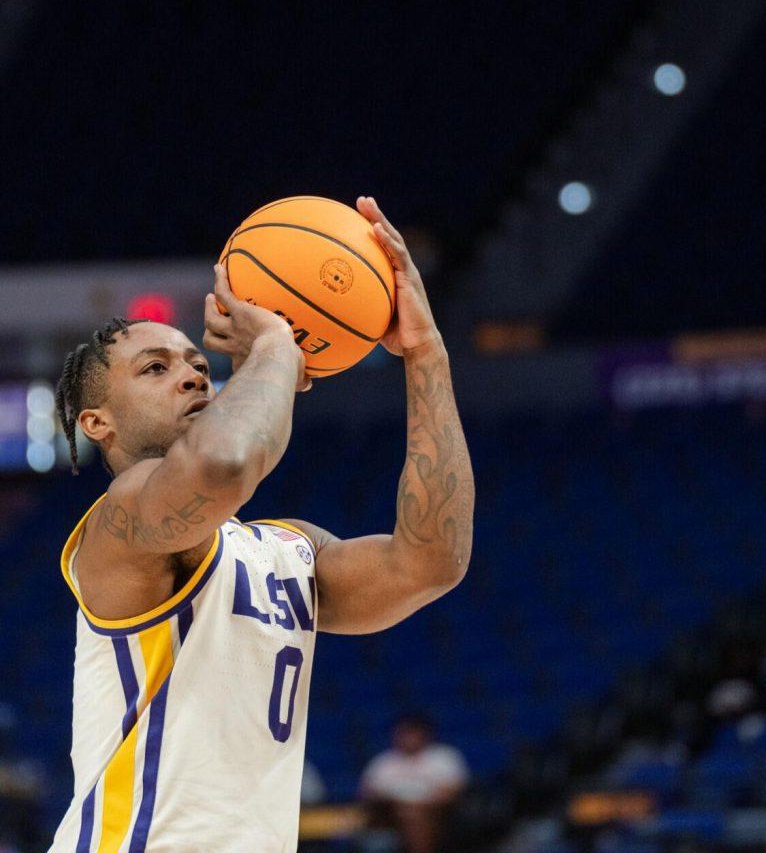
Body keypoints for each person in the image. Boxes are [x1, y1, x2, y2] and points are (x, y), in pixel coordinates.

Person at [46, 196, 474, 853]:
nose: (190, 375)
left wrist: (424, 352)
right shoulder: (120, 522)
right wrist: (278, 343)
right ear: (97, 424)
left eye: (195, 363)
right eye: (155, 368)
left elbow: (431, 561)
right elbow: (223, 463)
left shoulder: (287, 549)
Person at [359, 715, 469, 853]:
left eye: (412, 734)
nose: (407, 738)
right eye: (403, 734)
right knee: (407, 814)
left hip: (436, 812)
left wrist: (416, 805)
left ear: (425, 735)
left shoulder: (443, 757)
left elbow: (452, 792)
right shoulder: (383, 762)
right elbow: (368, 793)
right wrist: (401, 804)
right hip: (390, 812)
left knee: (415, 815)